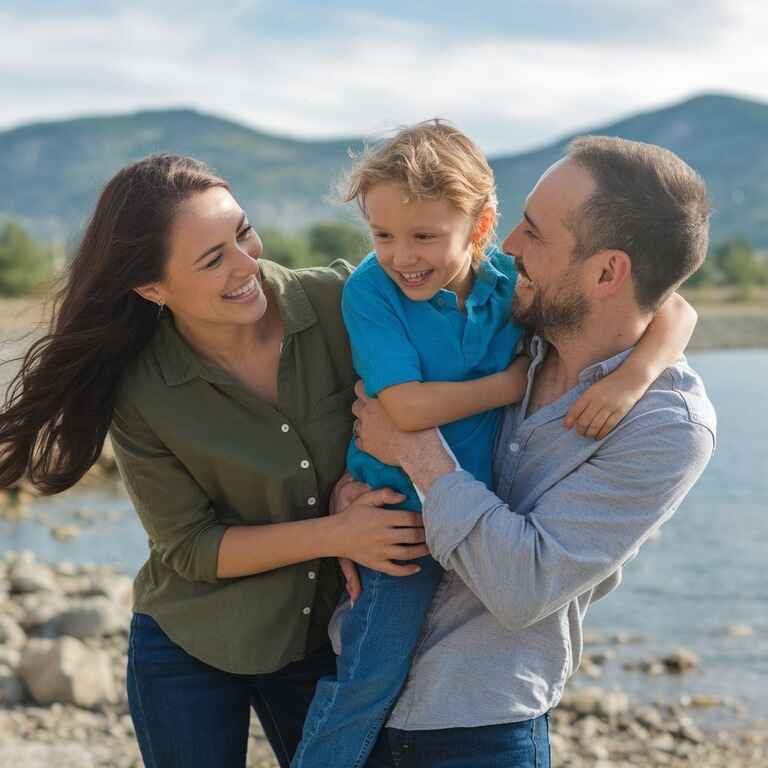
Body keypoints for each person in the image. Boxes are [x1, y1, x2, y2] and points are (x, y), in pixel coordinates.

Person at [0, 154, 430, 768]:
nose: (246, 264)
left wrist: (623, 369)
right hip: (187, 648)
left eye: (242, 233)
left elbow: (476, 311)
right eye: (213, 259)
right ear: (152, 288)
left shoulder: (345, 303)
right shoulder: (139, 389)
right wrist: (337, 533)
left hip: (321, 641)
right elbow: (192, 548)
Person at [293, 124, 700, 768]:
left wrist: (413, 450)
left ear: (606, 272)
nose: (510, 245)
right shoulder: (527, 326)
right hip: (367, 690)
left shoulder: (663, 425)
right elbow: (673, 305)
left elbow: (521, 587)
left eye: (534, 231)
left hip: (479, 727)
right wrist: (353, 497)